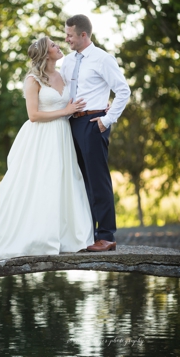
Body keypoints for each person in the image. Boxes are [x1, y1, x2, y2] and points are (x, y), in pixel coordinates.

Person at [0, 36, 95, 260]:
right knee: (43, 182)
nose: (59, 46)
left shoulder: (63, 75)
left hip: (62, 136)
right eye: (54, 45)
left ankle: (67, 237)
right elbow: (33, 115)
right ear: (45, 54)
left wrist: (100, 105)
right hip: (42, 137)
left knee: (66, 182)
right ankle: (38, 238)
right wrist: (65, 111)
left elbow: (78, 100)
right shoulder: (33, 80)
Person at [63, 14, 131, 252]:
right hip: (71, 124)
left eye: (70, 35)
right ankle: (87, 234)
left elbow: (123, 91)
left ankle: (106, 235)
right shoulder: (68, 62)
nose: (66, 39)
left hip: (94, 123)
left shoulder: (103, 59)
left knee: (98, 180)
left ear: (83, 35)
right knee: (81, 182)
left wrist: (106, 120)